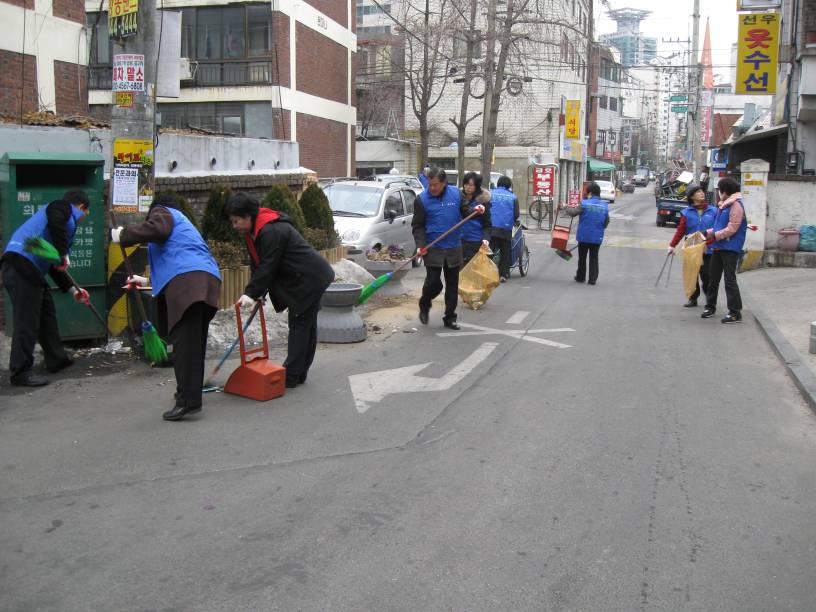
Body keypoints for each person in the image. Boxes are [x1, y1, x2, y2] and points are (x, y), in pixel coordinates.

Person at [111, 194, 222, 421]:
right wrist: (145, 282)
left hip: (190, 283)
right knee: (192, 345)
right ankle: (187, 393)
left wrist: (124, 235)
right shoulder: (183, 225)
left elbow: (158, 230)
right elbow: (175, 261)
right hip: (205, 281)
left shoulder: (164, 213)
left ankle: (188, 403)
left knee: (185, 347)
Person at [225, 192, 335, 388]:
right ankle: (298, 373)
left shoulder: (271, 231)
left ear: (248, 217)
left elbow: (268, 266)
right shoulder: (256, 231)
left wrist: (250, 294)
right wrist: (256, 292)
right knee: (305, 324)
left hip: (309, 278)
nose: (234, 226)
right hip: (304, 277)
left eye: (236, 221)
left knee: (300, 323)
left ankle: (292, 375)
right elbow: (258, 265)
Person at [1, 190, 92, 386]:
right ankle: (20, 372)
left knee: (45, 312)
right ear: (81, 207)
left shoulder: (57, 227)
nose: (85, 217)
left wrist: (74, 290)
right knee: (27, 320)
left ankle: (56, 359)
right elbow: (55, 218)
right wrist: (63, 253)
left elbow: (54, 265)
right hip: (21, 264)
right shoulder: (60, 208)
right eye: (86, 212)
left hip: (28, 267)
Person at [412, 166, 485, 330]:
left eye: (435, 185)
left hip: (453, 247)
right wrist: (420, 245)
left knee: (452, 284)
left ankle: (450, 317)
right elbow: (418, 226)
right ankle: (425, 303)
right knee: (433, 283)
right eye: (430, 185)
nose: (432, 188)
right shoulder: (421, 200)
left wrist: (476, 210)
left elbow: (466, 211)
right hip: (433, 248)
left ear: (444, 183)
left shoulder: (456, 194)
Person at [701, 177, 747, 324]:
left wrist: (715, 235)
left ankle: (735, 312)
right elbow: (718, 227)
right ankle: (710, 307)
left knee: (729, 280)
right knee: (712, 278)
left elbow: (733, 228)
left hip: (731, 248)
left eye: (720, 190)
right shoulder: (724, 206)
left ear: (726, 191)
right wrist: (707, 232)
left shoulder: (736, 206)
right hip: (719, 246)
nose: (718, 192)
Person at [667, 185, 717, 308]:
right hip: (691, 247)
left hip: (708, 248)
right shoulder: (686, 213)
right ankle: (693, 298)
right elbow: (680, 231)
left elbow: (718, 228)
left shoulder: (713, 211)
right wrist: (672, 245)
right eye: (698, 192)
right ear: (692, 197)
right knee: (692, 275)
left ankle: (709, 298)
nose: (702, 193)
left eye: (702, 191)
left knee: (706, 275)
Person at [565, 182, 609, 285]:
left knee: (582, 257)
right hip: (597, 237)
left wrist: (565, 206)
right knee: (594, 257)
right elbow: (606, 222)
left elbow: (573, 213)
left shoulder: (584, 203)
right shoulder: (605, 206)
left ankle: (580, 277)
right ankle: (592, 279)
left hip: (584, 236)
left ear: (590, 193)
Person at [489, 176, 520, 281]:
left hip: (492, 227)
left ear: (498, 183)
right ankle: (503, 274)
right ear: (509, 186)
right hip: (506, 228)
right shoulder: (513, 197)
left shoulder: (490, 194)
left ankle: (487, 273)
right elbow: (516, 214)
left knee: (490, 251)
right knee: (505, 251)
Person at [460, 171, 492, 265]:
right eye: (466, 184)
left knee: (471, 272)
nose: (467, 187)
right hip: (459, 240)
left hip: (475, 241)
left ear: (477, 186)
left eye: (471, 185)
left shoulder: (483, 201)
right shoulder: (458, 197)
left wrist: (486, 238)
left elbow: (487, 224)